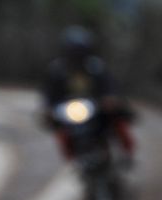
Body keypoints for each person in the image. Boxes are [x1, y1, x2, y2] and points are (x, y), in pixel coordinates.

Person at [42, 26, 134, 160]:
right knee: (61, 131)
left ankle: (126, 151)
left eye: (80, 51)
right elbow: (49, 93)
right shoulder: (57, 70)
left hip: (96, 107)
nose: (77, 55)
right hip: (70, 110)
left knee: (117, 119)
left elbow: (110, 84)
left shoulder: (95, 67)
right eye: (74, 51)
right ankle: (72, 157)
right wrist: (48, 109)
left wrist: (110, 98)